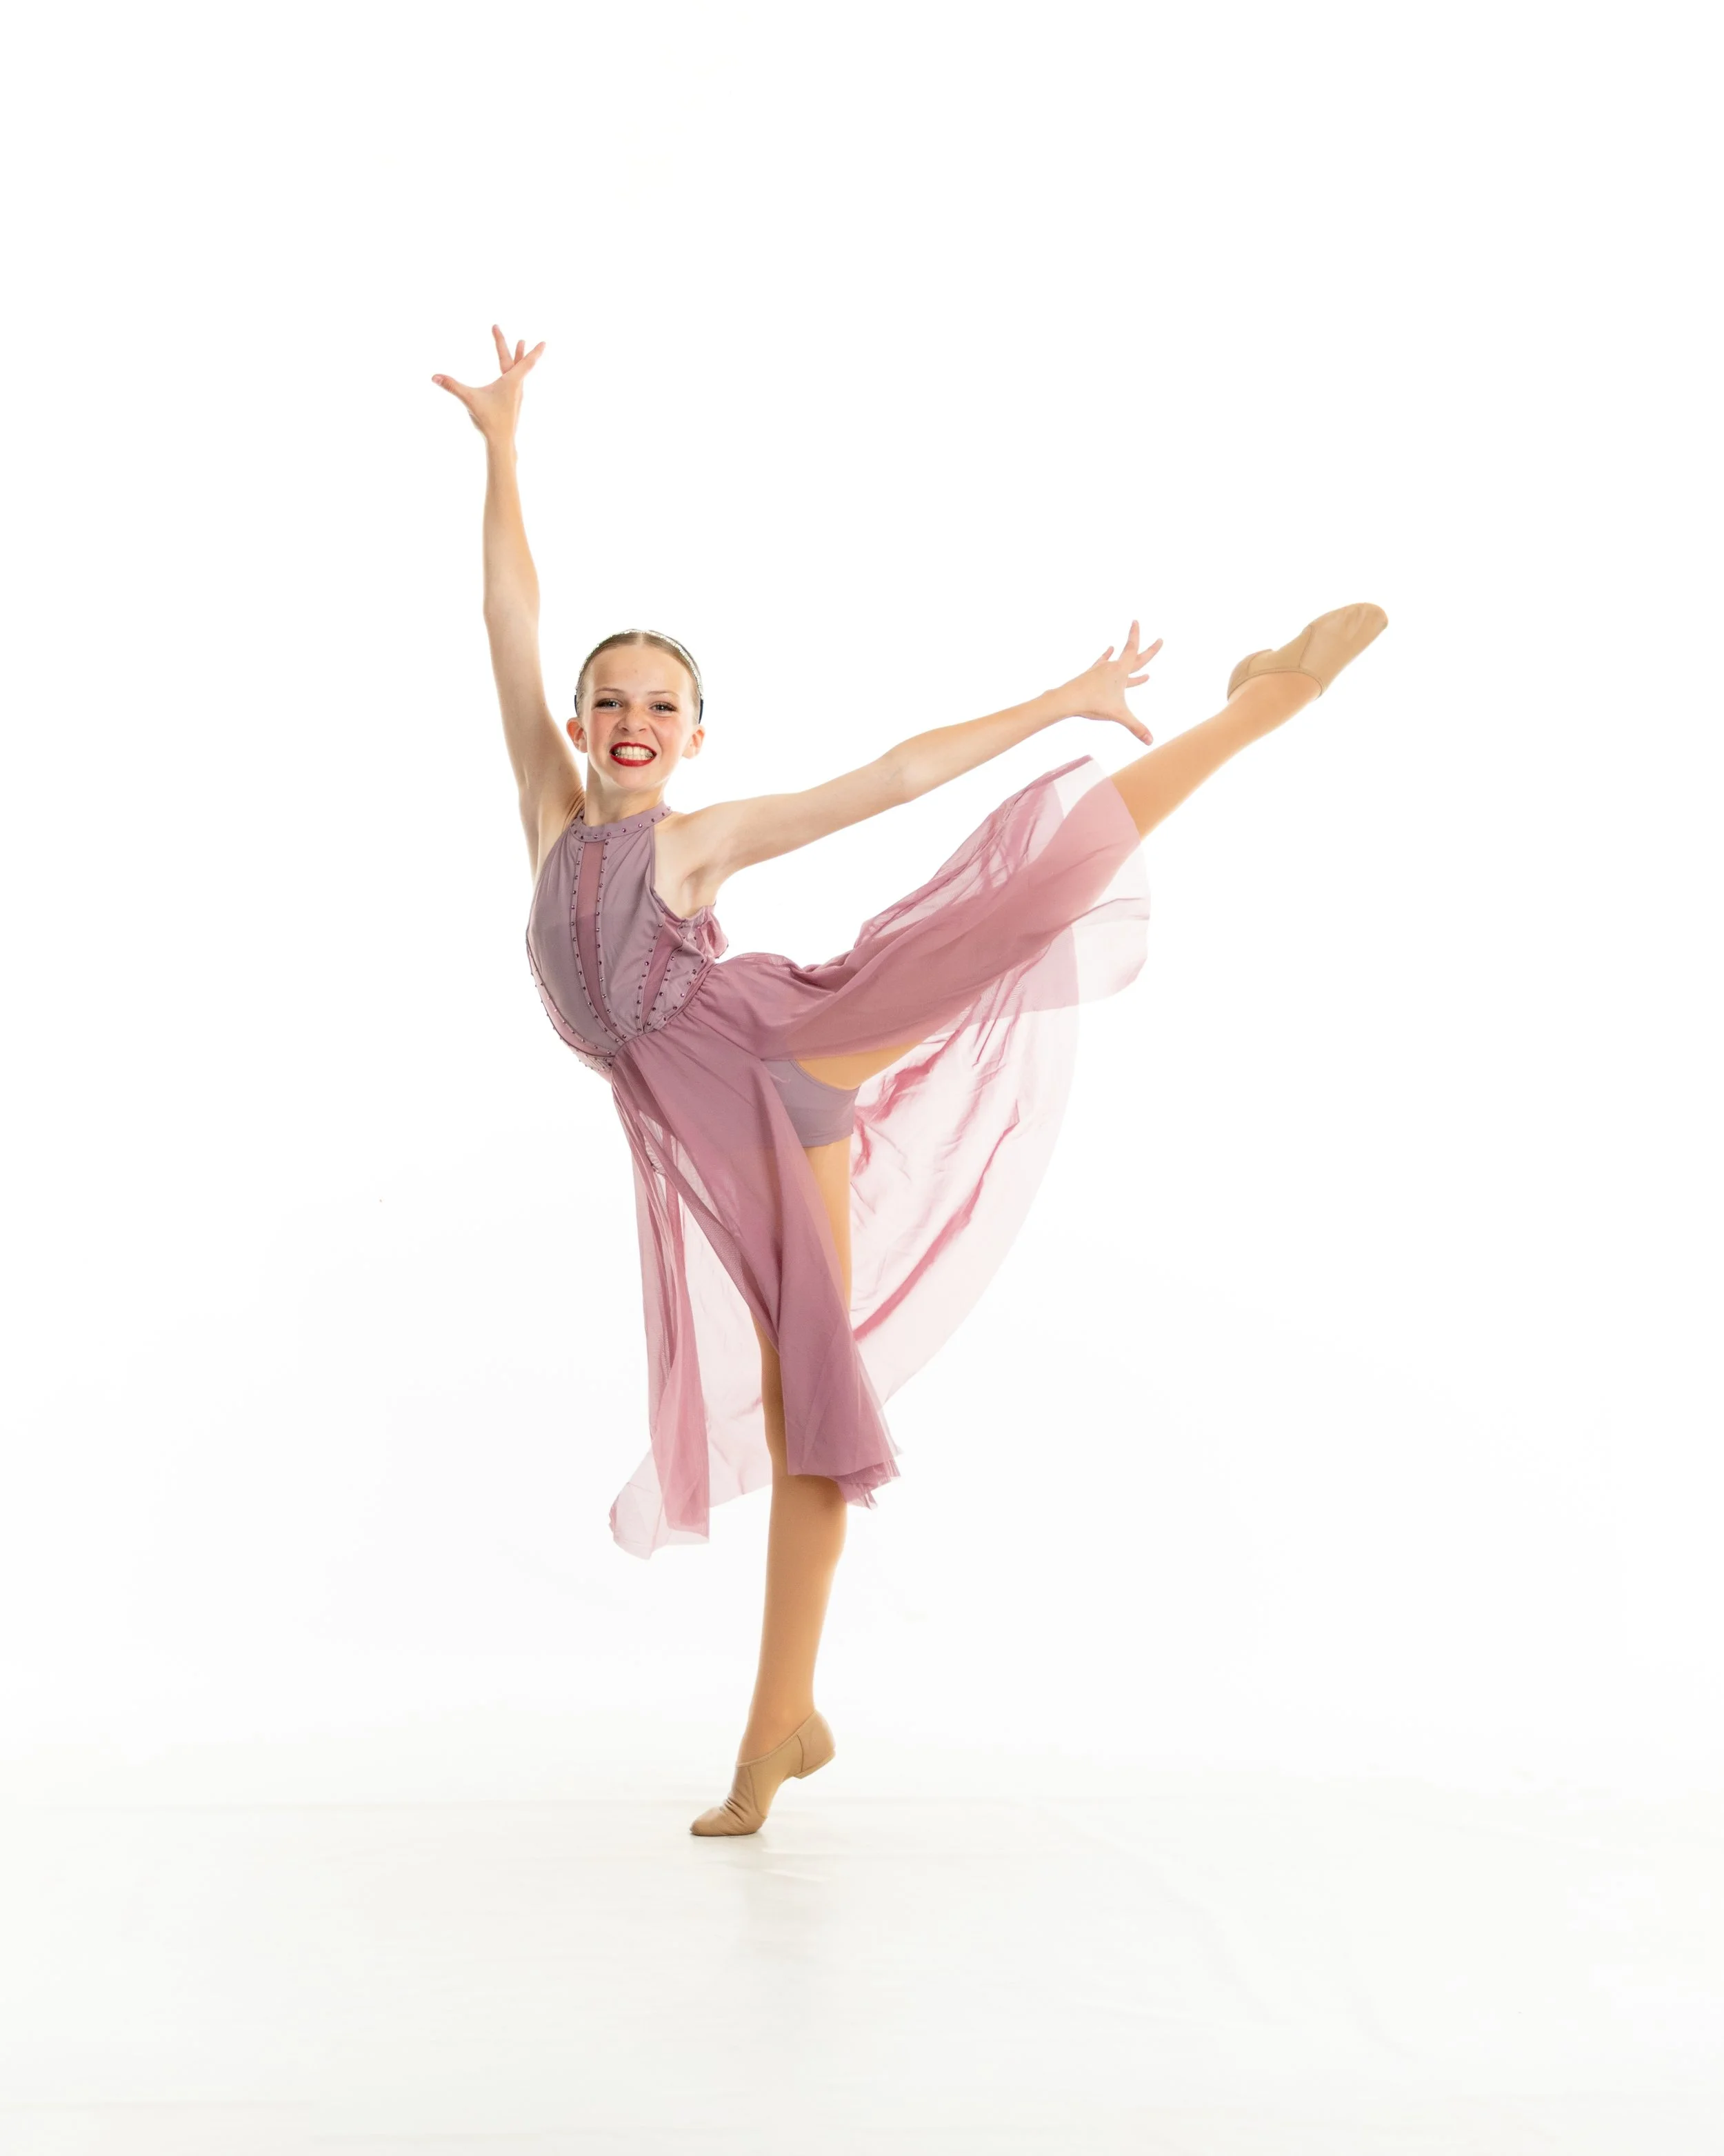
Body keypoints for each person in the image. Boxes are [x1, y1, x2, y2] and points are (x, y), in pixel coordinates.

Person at [432, 325, 1387, 1837]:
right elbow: (506, 613)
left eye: (657, 708)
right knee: (818, 1397)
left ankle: (1257, 706)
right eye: (605, 698)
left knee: (1004, 901)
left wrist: (1063, 697)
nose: (626, 720)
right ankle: (783, 1723)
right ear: (576, 722)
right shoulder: (551, 815)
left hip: (782, 1049)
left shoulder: (691, 838)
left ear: (690, 740)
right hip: (735, 1128)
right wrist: (500, 446)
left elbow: (882, 778)